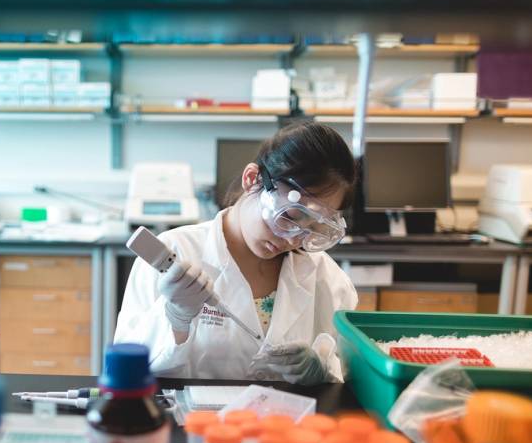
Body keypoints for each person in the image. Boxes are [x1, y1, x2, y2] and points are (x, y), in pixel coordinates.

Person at [114, 122, 358, 383]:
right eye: (288, 217)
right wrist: (175, 320)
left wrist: (322, 372)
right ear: (252, 180)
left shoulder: (328, 279)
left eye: (312, 229)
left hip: (285, 422)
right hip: (191, 422)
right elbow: (125, 371)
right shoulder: (176, 251)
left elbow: (348, 378)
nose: (292, 239)